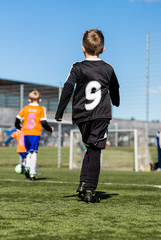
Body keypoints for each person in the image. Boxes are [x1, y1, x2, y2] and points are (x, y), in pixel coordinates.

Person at [55, 29, 120, 203]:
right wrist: (117, 101)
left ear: (83, 48)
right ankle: (90, 189)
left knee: (89, 148)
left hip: (82, 116)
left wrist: (60, 111)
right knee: (95, 150)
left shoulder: (77, 67)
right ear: (103, 49)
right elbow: (115, 88)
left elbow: (68, 88)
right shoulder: (108, 68)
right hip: (100, 115)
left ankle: (83, 183)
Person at [15, 90, 54, 180]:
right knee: (34, 153)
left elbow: (17, 118)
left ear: (29, 99)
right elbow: (43, 122)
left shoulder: (25, 108)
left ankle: (28, 166)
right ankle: (32, 172)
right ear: (39, 100)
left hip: (26, 133)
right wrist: (49, 129)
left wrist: (18, 126)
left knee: (29, 151)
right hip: (35, 133)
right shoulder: (41, 109)